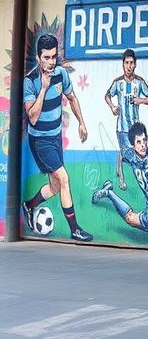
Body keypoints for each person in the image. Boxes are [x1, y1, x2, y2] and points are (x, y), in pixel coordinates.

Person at [22, 34, 93, 242]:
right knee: (64, 178)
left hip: (55, 138)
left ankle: (29, 205)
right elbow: (33, 118)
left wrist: (82, 122)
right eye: (46, 57)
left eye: (53, 57)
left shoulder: (61, 74)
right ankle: (75, 229)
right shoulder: (31, 82)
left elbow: (72, 97)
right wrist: (43, 88)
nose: (51, 62)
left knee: (55, 187)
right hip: (40, 141)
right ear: (38, 57)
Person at [105, 49, 148, 191]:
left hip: (135, 127)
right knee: (127, 152)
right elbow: (107, 96)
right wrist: (113, 107)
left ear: (135, 64)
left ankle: (137, 174)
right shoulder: (118, 82)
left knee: (135, 154)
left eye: (131, 63)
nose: (129, 66)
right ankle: (121, 178)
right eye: (126, 63)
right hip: (122, 126)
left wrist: (141, 100)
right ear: (123, 64)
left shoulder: (139, 82)